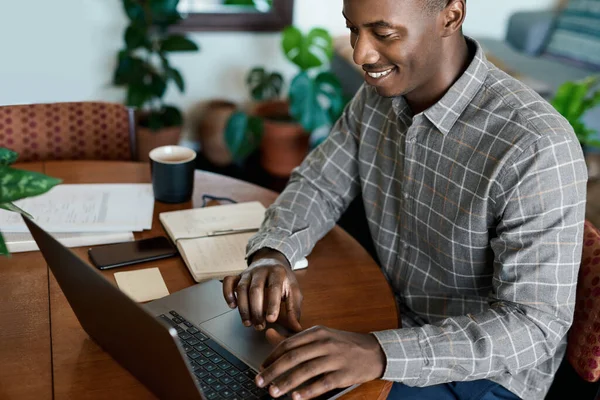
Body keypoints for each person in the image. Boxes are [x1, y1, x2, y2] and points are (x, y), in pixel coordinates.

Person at [222, 0, 589, 399]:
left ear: (451, 16)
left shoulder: (535, 145)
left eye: (384, 34)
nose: (361, 54)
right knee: (243, 364)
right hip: (391, 319)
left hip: (485, 376)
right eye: (353, 29)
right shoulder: (378, 95)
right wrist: (273, 252)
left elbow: (533, 326)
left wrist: (379, 352)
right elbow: (320, 184)